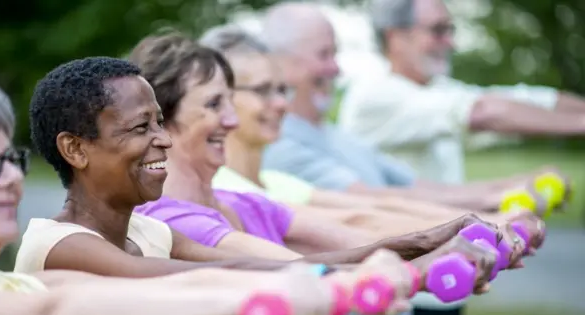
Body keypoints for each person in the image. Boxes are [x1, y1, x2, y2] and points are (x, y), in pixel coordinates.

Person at [14, 56, 472, 315]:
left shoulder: (148, 234)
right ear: (75, 149)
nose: (164, 139)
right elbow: (217, 277)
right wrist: (387, 276)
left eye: (159, 121)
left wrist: (417, 245)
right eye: (139, 127)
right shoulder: (62, 246)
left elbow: (261, 264)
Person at [126, 32, 534, 315]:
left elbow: (352, 232)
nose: (232, 120)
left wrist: (461, 233)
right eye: (215, 104)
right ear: (162, 121)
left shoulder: (242, 204)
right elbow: (298, 270)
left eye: (231, 101)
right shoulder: (170, 220)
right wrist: (422, 271)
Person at [0, 66, 367, 315]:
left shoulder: (17, 287)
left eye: (10, 161)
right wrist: (296, 289)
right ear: (75, 149)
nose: (10, 179)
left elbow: (195, 283)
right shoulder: (57, 251)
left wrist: (412, 256)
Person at [256, 2, 548, 315]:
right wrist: (482, 223)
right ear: (279, 62)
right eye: (324, 54)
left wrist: (506, 195)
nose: (336, 67)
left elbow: (419, 190)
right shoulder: (279, 149)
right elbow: (368, 208)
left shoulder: (338, 136)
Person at [197, 24, 541, 237]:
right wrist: (484, 220)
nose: (280, 103)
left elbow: (379, 204)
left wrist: (490, 211)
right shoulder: (227, 191)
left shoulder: (280, 183)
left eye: (281, 89)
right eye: (262, 91)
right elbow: (359, 216)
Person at [339, 0, 585, 186]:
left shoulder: (437, 89)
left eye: (450, 30)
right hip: (392, 247)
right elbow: (483, 113)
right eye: (438, 30)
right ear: (396, 38)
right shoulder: (374, 93)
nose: (451, 42)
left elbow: (521, 100)